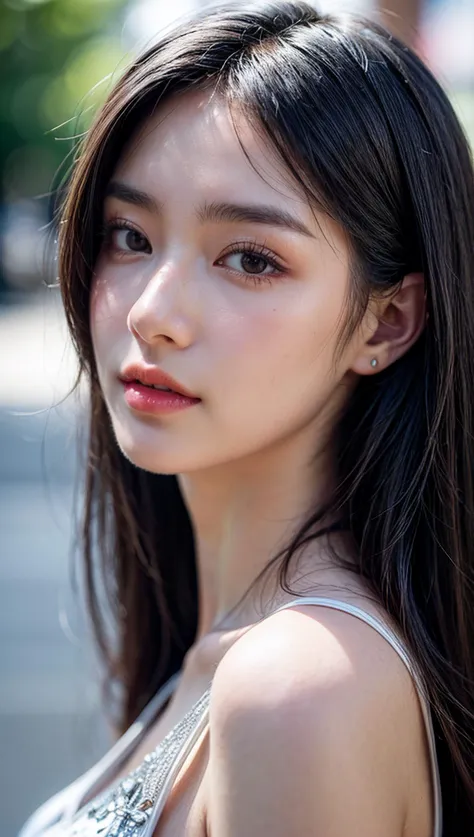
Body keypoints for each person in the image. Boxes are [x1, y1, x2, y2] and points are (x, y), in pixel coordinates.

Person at [18, 1, 474, 835]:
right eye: (129, 236)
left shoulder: (297, 688)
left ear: (386, 322)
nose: (154, 311)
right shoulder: (238, 653)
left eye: (251, 258)